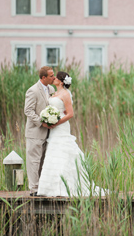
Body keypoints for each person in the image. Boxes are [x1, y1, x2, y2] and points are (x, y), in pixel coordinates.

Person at [36, 71, 105, 197]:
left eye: (56, 77)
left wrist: (56, 122)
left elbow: (70, 113)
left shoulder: (66, 94)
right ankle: (50, 189)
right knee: (53, 153)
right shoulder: (54, 93)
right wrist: (48, 117)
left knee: (62, 151)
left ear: (61, 82)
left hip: (61, 126)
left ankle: (63, 188)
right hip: (53, 128)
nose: (54, 78)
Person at [24, 66, 55, 196]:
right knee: (34, 161)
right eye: (51, 76)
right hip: (35, 132)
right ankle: (34, 189)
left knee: (44, 160)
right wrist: (41, 122)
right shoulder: (33, 91)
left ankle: (42, 186)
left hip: (49, 133)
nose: (54, 77)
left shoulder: (51, 89)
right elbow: (28, 111)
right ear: (43, 78)